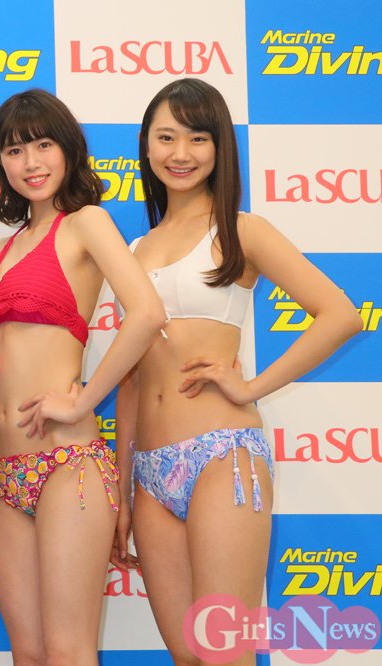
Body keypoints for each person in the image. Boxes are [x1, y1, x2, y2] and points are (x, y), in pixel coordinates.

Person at [114, 78, 362, 665]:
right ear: (146, 146)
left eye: (197, 138)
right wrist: (122, 491)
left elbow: (341, 315)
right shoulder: (135, 249)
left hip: (222, 457)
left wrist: (250, 386)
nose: (180, 153)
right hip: (150, 473)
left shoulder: (240, 230)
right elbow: (130, 377)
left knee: (224, 653)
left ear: (220, 146)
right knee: (187, 656)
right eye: (166, 137)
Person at [0, 88, 165, 665]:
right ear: (0, 162)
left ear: (69, 150)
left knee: (69, 650)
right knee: (27, 653)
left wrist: (82, 401)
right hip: (0, 473)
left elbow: (147, 314)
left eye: (43, 145)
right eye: (14, 150)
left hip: (66, 463)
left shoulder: (86, 224)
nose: (31, 162)